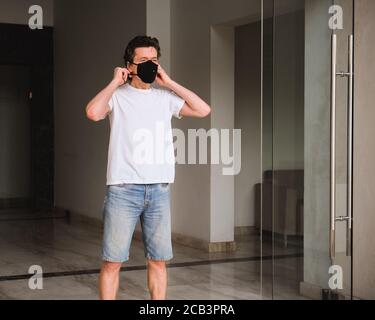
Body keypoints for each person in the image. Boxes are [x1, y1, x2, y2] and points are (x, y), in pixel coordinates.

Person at [85, 36, 211, 300]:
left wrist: (170, 82)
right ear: (129, 65)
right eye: (143, 61)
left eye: (154, 60)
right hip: (123, 190)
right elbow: (93, 113)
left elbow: (203, 110)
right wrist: (113, 82)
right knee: (112, 261)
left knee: (158, 261)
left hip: (159, 191)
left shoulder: (164, 98)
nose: (150, 65)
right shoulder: (117, 97)